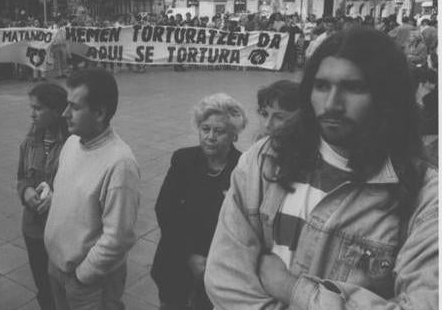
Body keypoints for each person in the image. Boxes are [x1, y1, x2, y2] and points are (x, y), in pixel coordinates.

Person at [204, 27, 438, 309]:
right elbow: (225, 278)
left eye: (354, 88)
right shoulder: (264, 160)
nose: (332, 104)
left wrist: (293, 291)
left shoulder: (425, 198)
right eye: (322, 86)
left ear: (387, 97)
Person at [44, 69, 140, 310]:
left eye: (74, 107)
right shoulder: (72, 142)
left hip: (88, 283)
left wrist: (82, 276)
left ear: (99, 113)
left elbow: (118, 237)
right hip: (56, 267)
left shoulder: (120, 163)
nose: (65, 114)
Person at [151, 94, 247, 310]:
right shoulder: (182, 160)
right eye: (205, 129)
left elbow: (243, 228)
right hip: (176, 260)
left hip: (220, 270)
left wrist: (209, 262)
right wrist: (190, 255)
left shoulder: (244, 169)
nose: (210, 137)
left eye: (219, 131)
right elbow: (165, 210)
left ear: (234, 135)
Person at [17, 83, 69, 310]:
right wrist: (26, 191)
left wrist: (56, 197)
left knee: (63, 285)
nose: (32, 113)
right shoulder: (29, 141)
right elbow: (21, 177)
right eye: (32, 107)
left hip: (62, 231)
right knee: (43, 284)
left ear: (57, 110)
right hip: (34, 228)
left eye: (38, 108)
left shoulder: (73, 143)